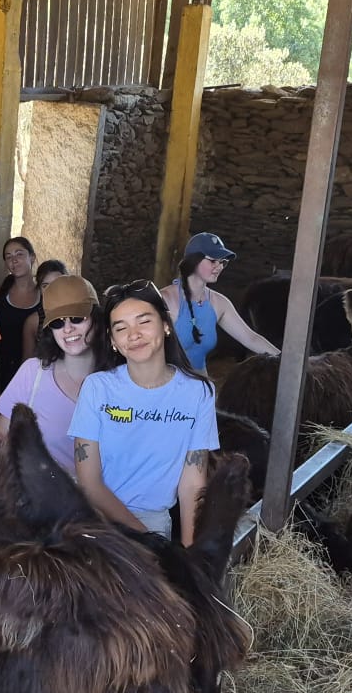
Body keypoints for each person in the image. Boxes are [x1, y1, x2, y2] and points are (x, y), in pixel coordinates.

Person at [70, 280, 219, 544]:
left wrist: (190, 556)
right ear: (113, 341)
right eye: (121, 328)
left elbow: (192, 484)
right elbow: (89, 482)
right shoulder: (97, 388)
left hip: (154, 520)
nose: (134, 334)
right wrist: (147, 541)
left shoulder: (198, 393)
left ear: (166, 325)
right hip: (95, 520)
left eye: (144, 321)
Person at [0, 275, 104, 473]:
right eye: (57, 322)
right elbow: (1, 435)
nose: (68, 328)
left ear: (96, 318)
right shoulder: (32, 372)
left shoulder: (121, 381)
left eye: (77, 318)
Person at [161, 231, 280, 367]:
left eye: (223, 262)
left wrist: (286, 361)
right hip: (167, 379)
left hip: (199, 379)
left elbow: (251, 338)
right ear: (193, 260)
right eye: (213, 261)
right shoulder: (166, 299)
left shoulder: (219, 303)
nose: (219, 267)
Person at [0, 236, 42, 396]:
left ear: (32, 257)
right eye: (8, 256)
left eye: (19, 254)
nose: (14, 260)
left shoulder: (44, 294)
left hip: (33, 373)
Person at [19, 259, 72, 363]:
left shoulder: (81, 316)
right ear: (39, 289)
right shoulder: (33, 322)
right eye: (45, 286)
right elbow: (28, 363)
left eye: (57, 284)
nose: (52, 290)